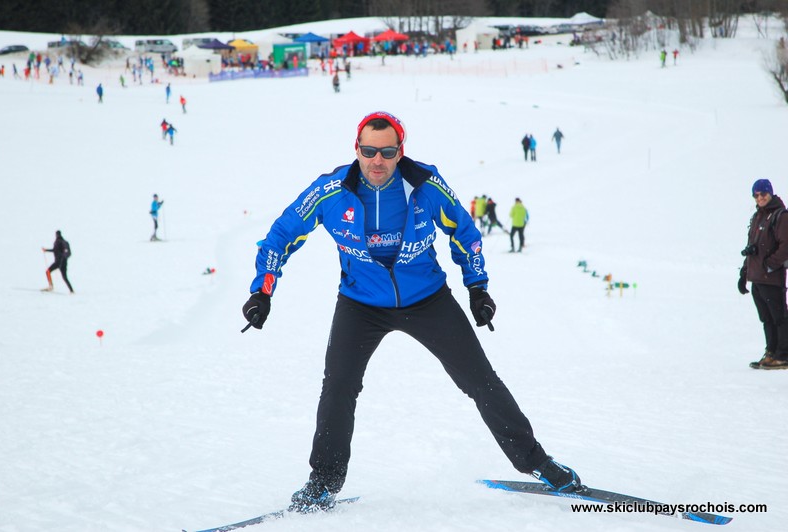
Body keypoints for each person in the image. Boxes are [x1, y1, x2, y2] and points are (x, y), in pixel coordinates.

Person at [241, 111, 583, 514]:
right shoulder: (330, 191)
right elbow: (280, 236)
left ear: (401, 151)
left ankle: (537, 462)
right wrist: (263, 292)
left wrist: (477, 289)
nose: (377, 161)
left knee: (481, 381)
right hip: (360, 303)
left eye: (387, 151)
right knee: (338, 387)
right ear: (356, 149)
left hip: (428, 299)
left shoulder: (425, 186)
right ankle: (323, 482)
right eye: (368, 151)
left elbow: (465, 232)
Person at [739, 179, 788, 369]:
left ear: (771, 193)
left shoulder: (781, 216)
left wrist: (770, 264)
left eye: (763, 194)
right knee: (766, 318)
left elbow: (786, 246)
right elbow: (752, 248)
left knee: (779, 316)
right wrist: (744, 273)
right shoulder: (758, 216)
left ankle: (783, 354)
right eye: (756, 195)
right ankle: (772, 352)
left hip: (771, 276)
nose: (760, 198)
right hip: (757, 277)